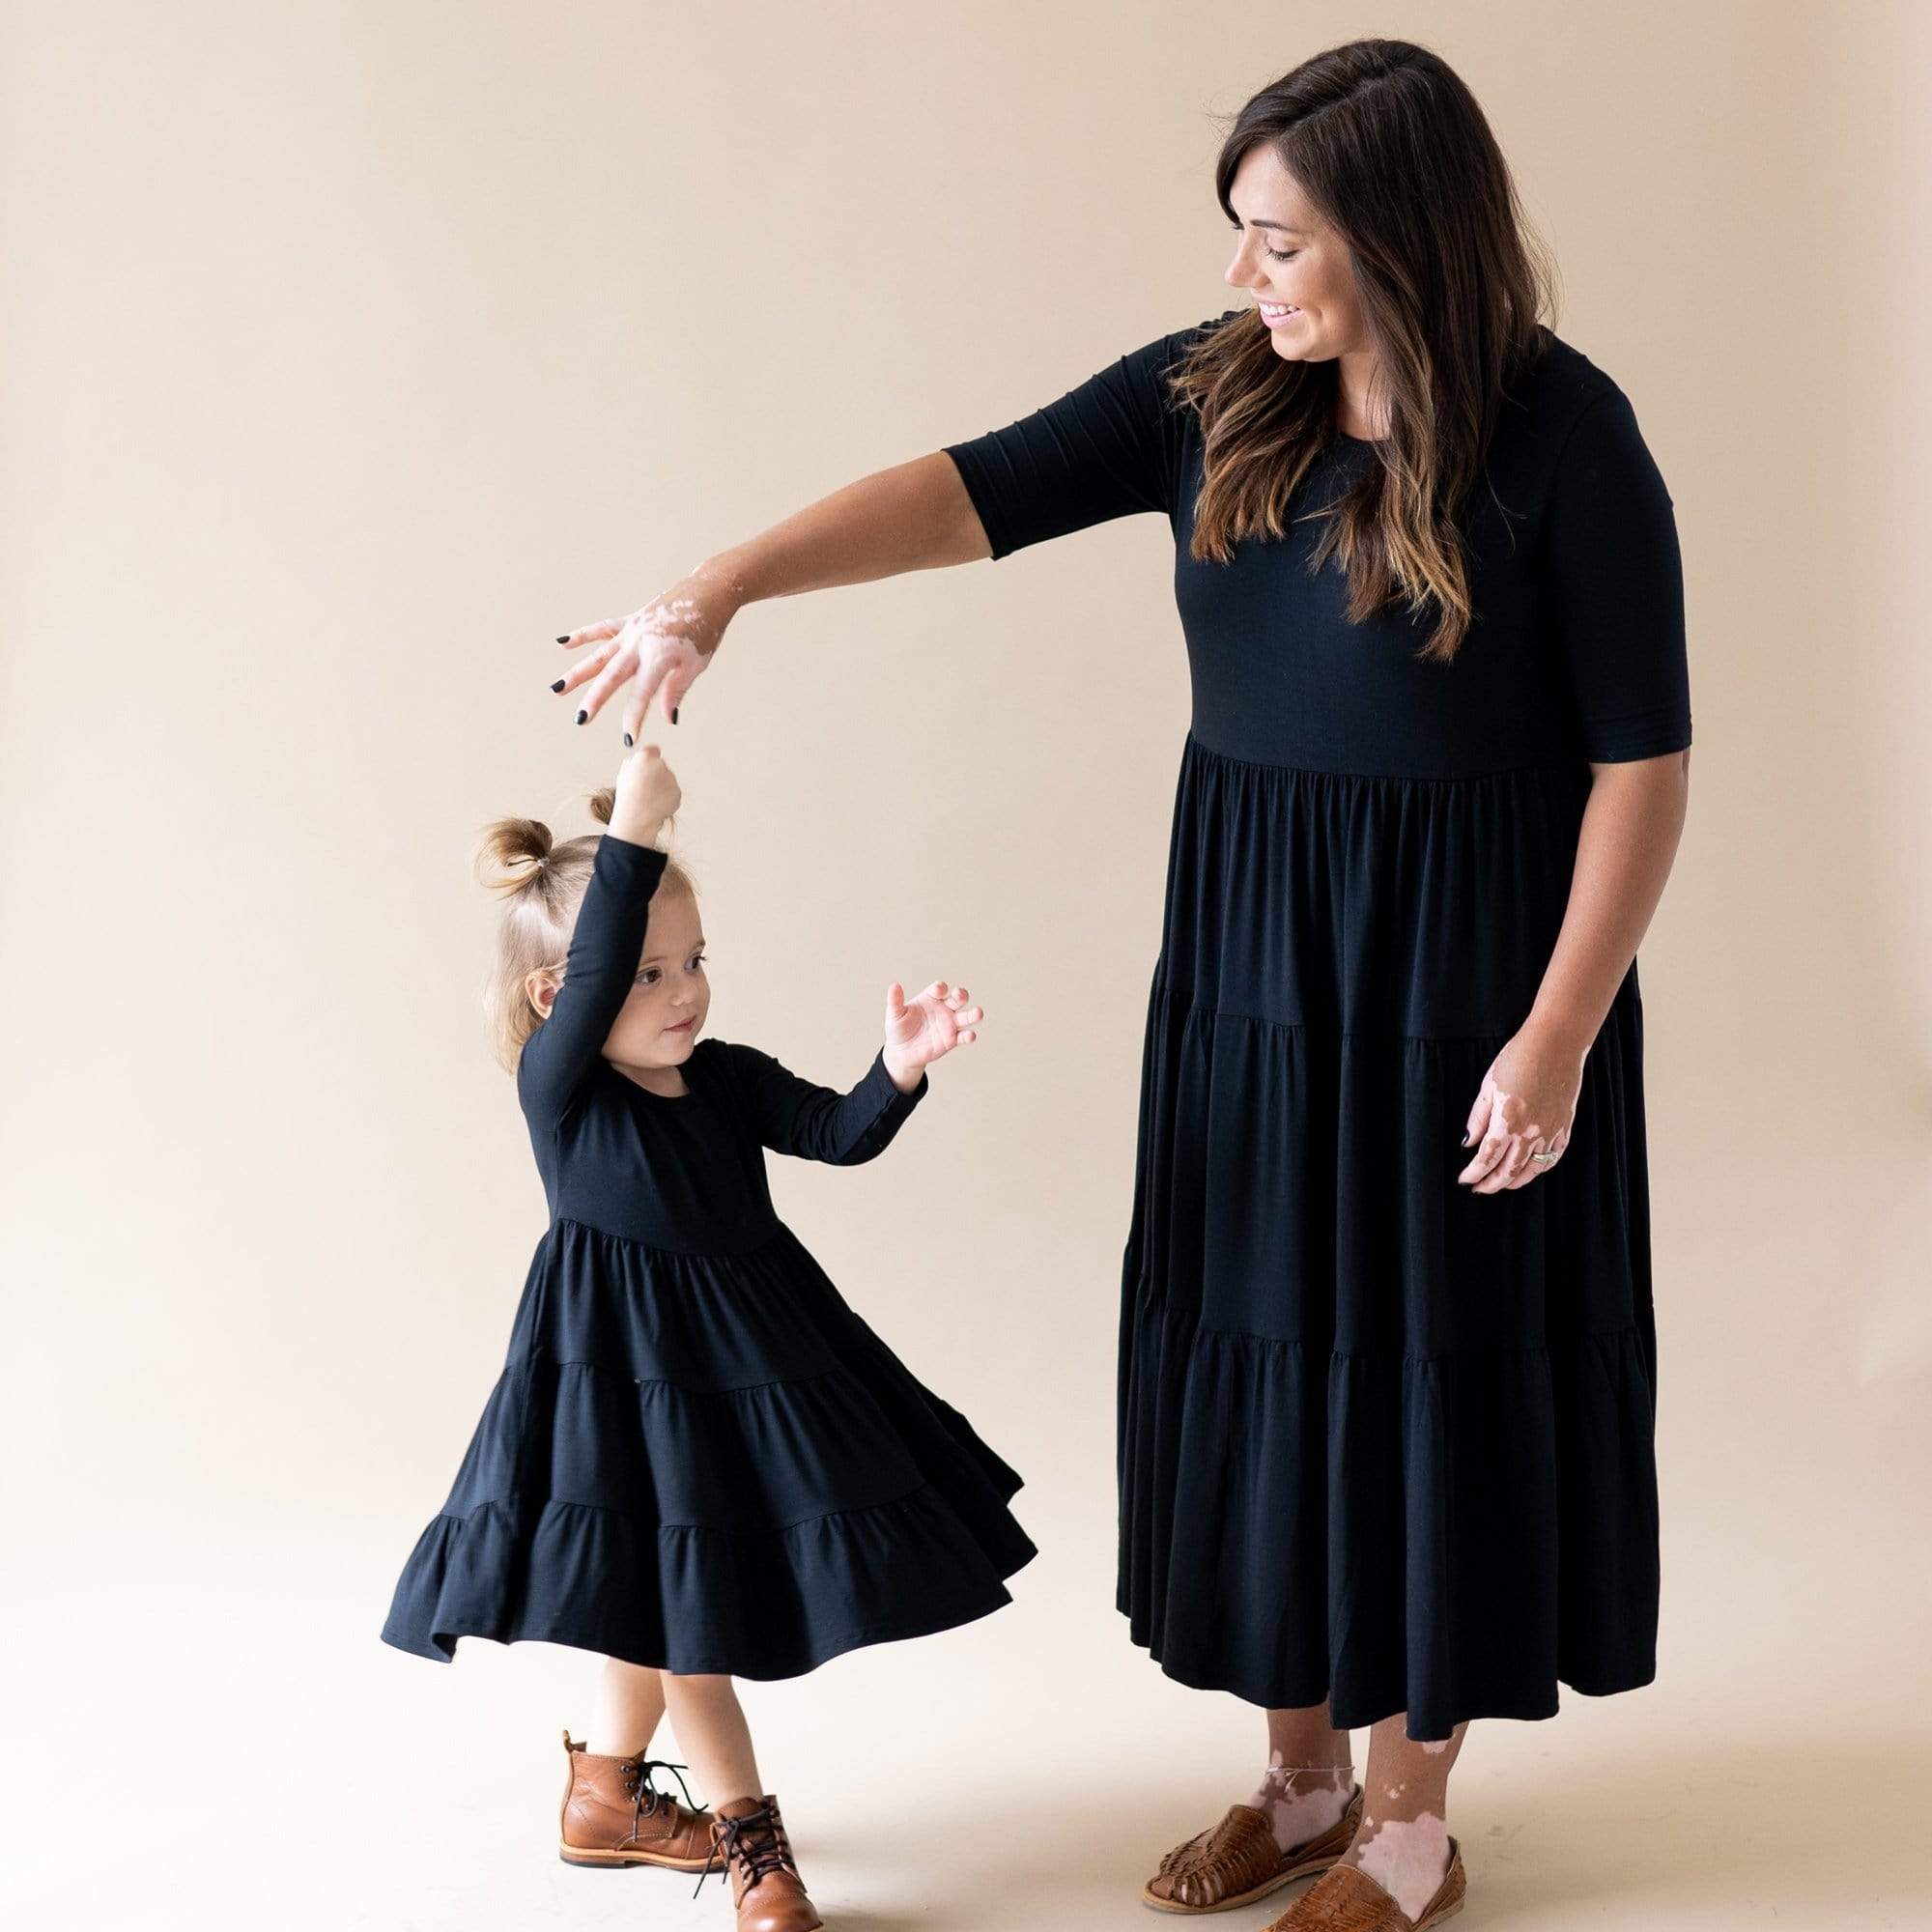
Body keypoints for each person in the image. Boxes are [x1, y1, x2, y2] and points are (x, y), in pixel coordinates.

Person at [544, 38, 1691, 1932]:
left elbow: (1642, 763)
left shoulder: (1565, 437)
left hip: (1473, 984)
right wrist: (725, 581)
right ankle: (1301, 1778)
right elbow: (967, 491)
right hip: (1254, 969)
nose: (1248, 275)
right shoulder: (1214, 395)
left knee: (1431, 1374)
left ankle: (1409, 1823)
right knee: (1265, 1346)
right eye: (1236, 236)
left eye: (1280, 241)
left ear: (1400, 235)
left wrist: (1555, 1034)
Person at [381, 742, 1035, 1932]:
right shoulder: (563, 1092)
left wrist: (896, 1067)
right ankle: (754, 1847)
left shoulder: (724, 1077)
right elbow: (594, 980)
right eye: (646, 974)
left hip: (748, 1364)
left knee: (662, 1587)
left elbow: (838, 1133)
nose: (683, 991)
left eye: (694, 963)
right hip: (621, 1378)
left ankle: (603, 1795)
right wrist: (633, 824)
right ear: (559, 1001)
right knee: (690, 1610)